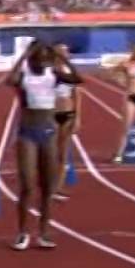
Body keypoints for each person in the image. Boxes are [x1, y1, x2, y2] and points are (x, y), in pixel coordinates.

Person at [8, 41, 82, 249]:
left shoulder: (54, 75)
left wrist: (63, 58)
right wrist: (23, 56)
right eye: (37, 58)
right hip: (27, 134)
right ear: (31, 58)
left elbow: (77, 79)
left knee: (47, 187)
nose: (41, 62)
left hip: (48, 133)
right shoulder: (24, 76)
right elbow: (10, 80)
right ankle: (22, 233)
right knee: (27, 186)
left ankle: (44, 232)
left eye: (44, 58)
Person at [50, 43, 80, 201]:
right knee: (51, 153)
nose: (65, 54)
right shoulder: (47, 71)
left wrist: (78, 117)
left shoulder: (70, 71)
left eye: (66, 52)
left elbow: (77, 95)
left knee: (62, 154)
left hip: (68, 114)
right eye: (61, 52)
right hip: (51, 114)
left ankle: (57, 188)